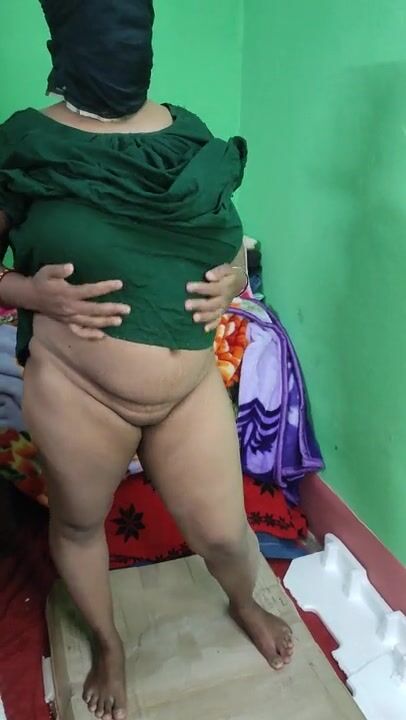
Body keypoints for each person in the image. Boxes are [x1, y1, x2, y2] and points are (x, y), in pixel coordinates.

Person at [0, 2, 293, 719]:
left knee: (224, 533)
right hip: (78, 388)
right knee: (78, 524)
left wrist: (233, 275)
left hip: (186, 387)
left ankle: (243, 601)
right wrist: (28, 291)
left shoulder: (185, 132)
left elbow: (225, 237)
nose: (124, 49)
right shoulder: (25, 142)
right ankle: (108, 646)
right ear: (63, 44)